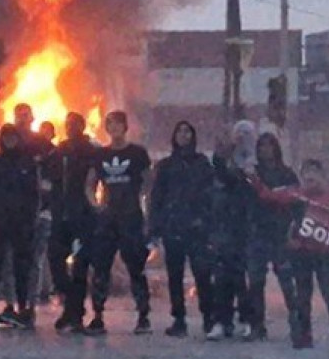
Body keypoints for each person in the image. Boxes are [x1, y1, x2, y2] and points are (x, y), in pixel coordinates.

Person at [251, 157, 329, 350]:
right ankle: (305, 334)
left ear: (322, 176)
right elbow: (268, 196)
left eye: (314, 172)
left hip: (324, 254)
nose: (310, 177)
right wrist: (253, 179)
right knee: (303, 296)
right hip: (302, 253)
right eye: (307, 173)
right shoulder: (295, 195)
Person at [87, 110, 152, 336]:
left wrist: (146, 211)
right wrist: (95, 205)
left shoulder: (137, 153)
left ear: (125, 127)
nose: (114, 129)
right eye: (110, 125)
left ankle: (143, 316)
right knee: (101, 267)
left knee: (136, 266)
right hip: (108, 219)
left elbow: (148, 183)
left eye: (118, 124)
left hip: (131, 216)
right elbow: (91, 182)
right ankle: (97, 315)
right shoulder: (100, 154)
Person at [148, 120, 215, 338]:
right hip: (173, 226)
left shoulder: (202, 164)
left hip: (196, 228)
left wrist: (205, 220)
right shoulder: (166, 166)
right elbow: (156, 196)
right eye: (180, 131)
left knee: (202, 273)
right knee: (174, 275)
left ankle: (208, 317)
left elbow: (210, 195)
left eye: (188, 131)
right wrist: (155, 226)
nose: (184, 135)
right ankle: (179, 319)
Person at [0, 124, 40, 330]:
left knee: (22, 267)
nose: (10, 141)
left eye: (13, 137)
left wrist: (30, 218)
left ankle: (23, 309)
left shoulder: (27, 164)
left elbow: (34, 194)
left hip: (21, 224)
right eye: (6, 137)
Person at [242, 131, 299, 343]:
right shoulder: (253, 174)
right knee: (256, 282)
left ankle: (297, 322)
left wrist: (295, 229)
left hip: (280, 233)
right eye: (262, 146)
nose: (266, 150)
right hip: (258, 232)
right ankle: (257, 325)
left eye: (269, 145)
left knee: (286, 280)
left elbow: (296, 202)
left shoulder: (286, 174)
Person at [46, 112, 98, 334]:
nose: (70, 128)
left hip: (83, 216)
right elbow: (49, 179)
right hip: (61, 216)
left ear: (82, 126)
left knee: (80, 266)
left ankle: (74, 314)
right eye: (67, 124)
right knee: (55, 258)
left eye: (74, 124)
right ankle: (70, 306)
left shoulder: (93, 151)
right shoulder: (59, 151)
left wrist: (97, 207)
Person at [205, 130, 251, 341]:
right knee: (221, 280)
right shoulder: (212, 175)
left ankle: (246, 320)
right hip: (219, 233)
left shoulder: (242, 171)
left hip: (239, 233)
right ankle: (221, 321)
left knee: (239, 280)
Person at [31, 120, 58, 305]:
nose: (45, 134)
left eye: (48, 131)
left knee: (47, 253)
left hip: (50, 210)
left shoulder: (57, 155)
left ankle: (45, 289)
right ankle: (40, 291)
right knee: (38, 254)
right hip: (34, 210)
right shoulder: (31, 152)